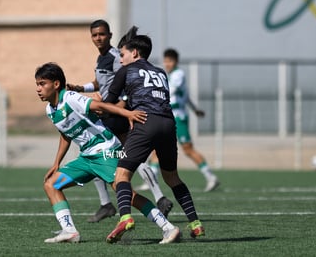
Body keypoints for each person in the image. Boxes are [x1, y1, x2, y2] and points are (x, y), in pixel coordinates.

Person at [36, 62, 180, 244]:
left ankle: (168, 228)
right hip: (87, 158)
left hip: (106, 153)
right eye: (37, 85)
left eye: (42, 84)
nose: (38, 89)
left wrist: (127, 114)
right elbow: (65, 133)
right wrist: (57, 162)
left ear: (56, 84)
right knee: (51, 184)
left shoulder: (71, 98)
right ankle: (69, 231)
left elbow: (100, 106)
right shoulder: (50, 110)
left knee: (129, 195)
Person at [104, 27, 205, 243]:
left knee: (121, 176)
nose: (121, 60)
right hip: (169, 124)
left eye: (122, 54)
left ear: (135, 53)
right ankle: (195, 224)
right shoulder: (160, 72)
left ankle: (125, 218)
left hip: (145, 122)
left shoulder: (126, 71)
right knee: (172, 177)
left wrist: (88, 104)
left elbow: (108, 103)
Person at [67, 19, 173, 222]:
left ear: (109, 35)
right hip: (108, 110)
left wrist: (121, 107)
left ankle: (116, 203)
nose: (98, 38)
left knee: (112, 154)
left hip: (115, 113)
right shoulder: (102, 59)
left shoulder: (117, 57)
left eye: (102, 34)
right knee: (106, 154)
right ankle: (147, 198)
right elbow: (101, 82)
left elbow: (127, 82)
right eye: (94, 35)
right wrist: (81, 88)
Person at [138, 48, 220, 192]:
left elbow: (173, 91)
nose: (167, 63)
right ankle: (150, 182)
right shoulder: (167, 75)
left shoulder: (178, 74)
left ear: (175, 61)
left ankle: (210, 177)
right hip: (167, 117)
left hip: (178, 118)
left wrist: (152, 94)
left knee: (188, 149)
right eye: (165, 60)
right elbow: (186, 96)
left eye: (169, 61)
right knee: (156, 149)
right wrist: (195, 109)